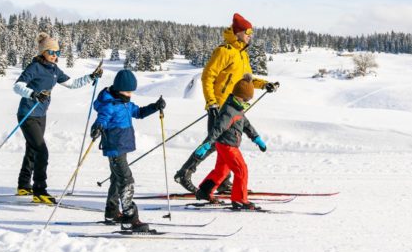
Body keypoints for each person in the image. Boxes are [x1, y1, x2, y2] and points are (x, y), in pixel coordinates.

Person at [174, 13, 279, 193]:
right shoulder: (224, 51)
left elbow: (247, 80)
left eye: (251, 32)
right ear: (238, 32)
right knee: (215, 143)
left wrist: (264, 85)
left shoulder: (242, 55)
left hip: (235, 105)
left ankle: (222, 181)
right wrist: (211, 103)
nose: (250, 35)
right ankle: (184, 173)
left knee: (227, 145)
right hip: (220, 106)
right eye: (247, 32)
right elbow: (207, 76)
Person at [12, 32, 103, 204]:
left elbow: (72, 84)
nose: (55, 56)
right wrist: (33, 94)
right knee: (41, 151)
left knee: (33, 149)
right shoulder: (34, 67)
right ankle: (39, 191)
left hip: (41, 114)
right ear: (43, 52)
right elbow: (17, 86)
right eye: (52, 52)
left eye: (58, 53)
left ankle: (23, 185)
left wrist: (91, 77)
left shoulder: (54, 70)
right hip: (27, 114)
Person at [89, 69, 166, 233]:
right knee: (126, 180)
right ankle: (129, 217)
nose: (130, 94)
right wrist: (97, 127)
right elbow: (101, 118)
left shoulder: (124, 103)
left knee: (116, 179)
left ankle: (112, 212)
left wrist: (155, 106)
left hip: (121, 146)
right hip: (114, 147)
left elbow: (138, 112)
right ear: (118, 89)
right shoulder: (110, 104)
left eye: (132, 91)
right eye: (127, 91)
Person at [194, 77, 267, 210]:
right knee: (241, 170)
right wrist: (206, 144)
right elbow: (218, 129)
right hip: (228, 146)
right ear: (240, 96)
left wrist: (256, 138)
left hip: (224, 145)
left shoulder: (237, 108)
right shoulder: (229, 111)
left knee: (221, 171)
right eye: (246, 99)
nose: (247, 102)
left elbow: (246, 124)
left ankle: (205, 191)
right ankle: (239, 200)